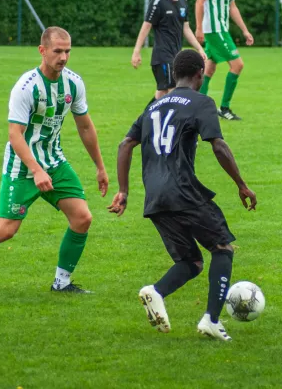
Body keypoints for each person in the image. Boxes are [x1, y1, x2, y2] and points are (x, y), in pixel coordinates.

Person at [0, 27, 109, 294]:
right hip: (21, 165)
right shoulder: (26, 87)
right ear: (42, 51)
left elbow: (85, 126)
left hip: (54, 161)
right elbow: (15, 135)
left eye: (67, 51)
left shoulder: (74, 83)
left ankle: (61, 283)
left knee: (82, 218)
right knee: (5, 230)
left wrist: (100, 167)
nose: (63, 57)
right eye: (57, 51)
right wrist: (36, 170)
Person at [108, 49, 256, 341]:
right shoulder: (201, 102)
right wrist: (241, 184)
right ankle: (211, 320)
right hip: (183, 191)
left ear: (175, 75)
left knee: (191, 263)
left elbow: (125, 144)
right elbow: (219, 146)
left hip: (155, 198)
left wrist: (123, 191)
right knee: (222, 248)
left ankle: (156, 291)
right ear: (200, 74)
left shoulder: (153, 106)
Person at [131, 0, 206, 107]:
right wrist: (136, 51)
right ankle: (175, 123)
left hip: (177, 57)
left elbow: (186, 28)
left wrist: (199, 49)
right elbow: (146, 25)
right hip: (162, 56)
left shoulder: (183, 0)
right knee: (174, 93)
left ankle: (144, 121)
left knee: (161, 94)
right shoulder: (159, 1)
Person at [195, 0, 254, 121]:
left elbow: (232, 7)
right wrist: (199, 28)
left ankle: (198, 106)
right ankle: (224, 108)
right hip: (215, 30)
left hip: (221, 29)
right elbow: (199, 1)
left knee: (208, 68)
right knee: (237, 65)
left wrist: (245, 30)